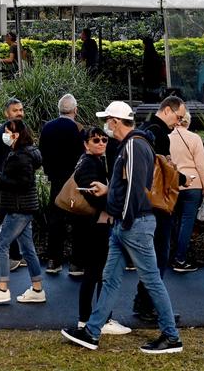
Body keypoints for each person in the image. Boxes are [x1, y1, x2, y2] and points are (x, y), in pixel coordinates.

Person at [61, 101, 183, 354]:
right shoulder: (136, 144)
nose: (106, 127)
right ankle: (92, 331)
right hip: (128, 222)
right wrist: (110, 192)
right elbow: (129, 187)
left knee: (149, 280)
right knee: (112, 280)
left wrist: (123, 217)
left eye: (107, 120)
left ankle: (171, 336)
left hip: (132, 223)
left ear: (115, 122)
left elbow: (135, 188)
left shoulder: (134, 145)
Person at [133, 96, 189, 322]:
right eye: (178, 117)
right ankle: (149, 305)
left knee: (148, 256)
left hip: (142, 203)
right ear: (167, 110)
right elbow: (163, 171)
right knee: (159, 255)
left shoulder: (144, 129)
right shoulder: (160, 135)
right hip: (158, 204)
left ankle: (143, 302)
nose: (179, 122)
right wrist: (182, 178)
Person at [0, 119, 45, 306]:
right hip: (26, 207)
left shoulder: (20, 156)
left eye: (8, 132)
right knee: (28, 248)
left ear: (16, 135)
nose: (5, 135)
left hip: (17, 208)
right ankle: (37, 288)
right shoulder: (27, 153)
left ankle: (2, 288)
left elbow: (22, 183)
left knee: (1, 245)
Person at [73, 127, 131, 335]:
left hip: (94, 224)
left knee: (95, 273)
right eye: (95, 140)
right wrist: (112, 202)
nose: (101, 143)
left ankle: (89, 317)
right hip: (95, 225)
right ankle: (97, 318)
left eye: (104, 140)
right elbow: (93, 195)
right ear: (85, 143)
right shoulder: (89, 164)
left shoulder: (92, 162)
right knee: (97, 272)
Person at [38, 93, 85, 275]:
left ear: (59, 110)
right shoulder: (78, 129)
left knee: (55, 220)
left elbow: (42, 153)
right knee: (77, 221)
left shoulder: (47, 128)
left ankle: (53, 260)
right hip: (74, 183)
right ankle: (76, 263)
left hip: (56, 182)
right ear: (75, 110)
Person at [0, 97, 25, 270]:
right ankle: (3, 256)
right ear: (6, 113)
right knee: (5, 221)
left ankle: (15, 255)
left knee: (13, 220)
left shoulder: (22, 132)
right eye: (15, 110)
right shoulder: (0, 134)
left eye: (21, 110)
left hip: (15, 185)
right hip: (3, 185)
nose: (19, 113)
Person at [169, 111, 204, 272]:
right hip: (193, 185)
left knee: (173, 221)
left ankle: (170, 254)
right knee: (187, 223)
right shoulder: (194, 138)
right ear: (188, 122)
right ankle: (180, 259)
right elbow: (201, 165)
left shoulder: (167, 137)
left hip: (173, 184)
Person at [142, 37, 165, 103]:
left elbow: (146, 69)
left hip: (149, 83)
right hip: (156, 81)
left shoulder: (147, 56)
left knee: (150, 99)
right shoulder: (155, 55)